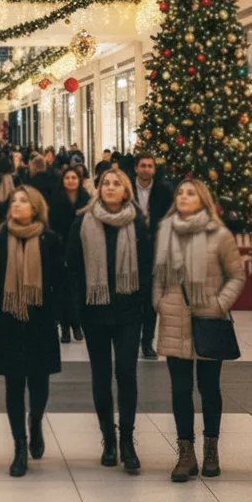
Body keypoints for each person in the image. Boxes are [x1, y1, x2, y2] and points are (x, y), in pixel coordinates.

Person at [154, 178, 245, 482]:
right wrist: (159, 300)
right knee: (180, 390)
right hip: (173, 318)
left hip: (208, 320)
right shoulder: (165, 231)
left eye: (190, 193)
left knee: (209, 388)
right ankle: (185, 452)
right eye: (180, 192)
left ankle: (211, 448)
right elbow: (158, 273)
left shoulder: (218, 235)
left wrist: (220, 304)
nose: (183, 196)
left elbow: (236, 276)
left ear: (203, 199)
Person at [67, 169, 151, 474]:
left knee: (126, 374)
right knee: (101, 376)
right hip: (95, 310)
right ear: (98, 189)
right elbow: (73, 268)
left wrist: (144, 304)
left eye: (117, 184)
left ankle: (127, 440)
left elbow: (146, 265)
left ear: (126, 191)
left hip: (128, 312)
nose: (111, 187)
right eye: (106, 184)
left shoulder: (137, 224)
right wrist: (76, 311)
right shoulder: (83, 221)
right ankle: (108, 439)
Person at [0, 185, 65, 477]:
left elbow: (59, 278)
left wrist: (55, 315)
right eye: (14, 201)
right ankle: (20, 445)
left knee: (39, 382)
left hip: (40, 320)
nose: (17, 205)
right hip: (8, 321)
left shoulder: (49, 239)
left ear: (35, 206)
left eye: (23, 201)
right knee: (14, 385)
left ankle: (36, 422)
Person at [132, 153, 174, 360]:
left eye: (150, 166)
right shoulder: (127, 190)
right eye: (143, 165)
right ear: (136, 168)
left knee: (150, 299)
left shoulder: (163, 190)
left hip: (155, 251)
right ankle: (131, 339)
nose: (147, 169)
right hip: (131, 251)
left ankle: (147, 342)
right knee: (132, 298)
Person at [48, 167, 90, 343]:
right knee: (62, 290)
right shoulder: (56, 199)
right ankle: (65, 327)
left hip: (82, 251)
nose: (71, 181)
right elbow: (52, 225)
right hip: (60, 251)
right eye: (68, 178)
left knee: (78, 290)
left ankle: (77, 323)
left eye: (74, 177)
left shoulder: (86, 199)